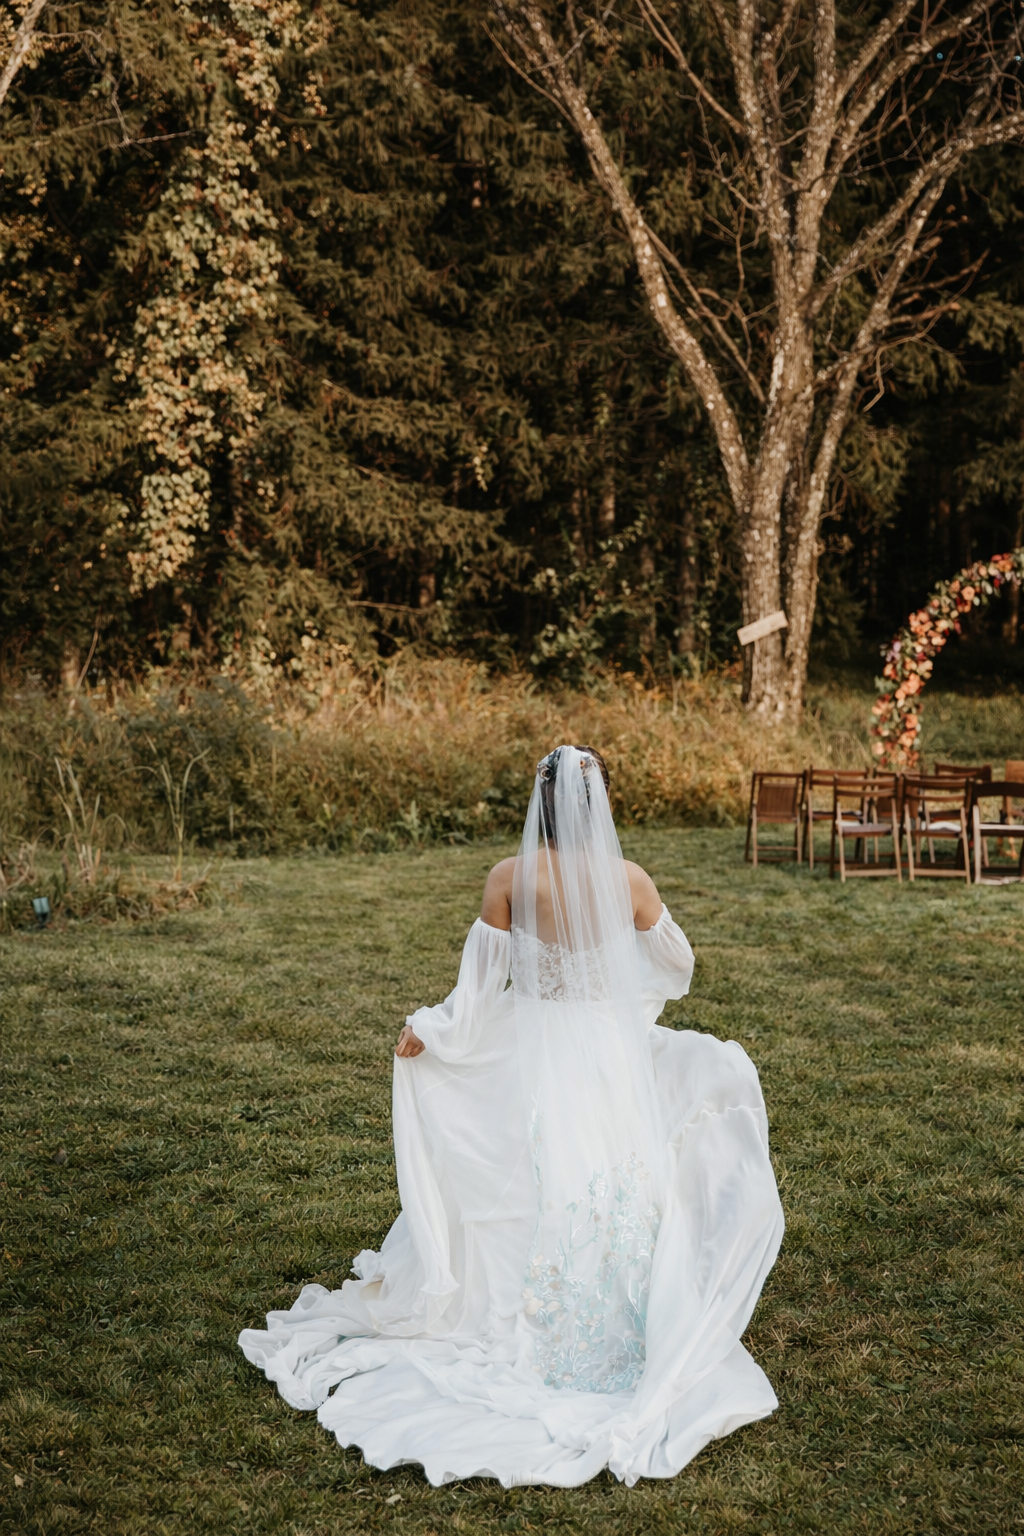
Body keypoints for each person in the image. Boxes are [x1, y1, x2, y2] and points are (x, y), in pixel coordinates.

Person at [239, 745, 784, 1487]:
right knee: (612, 1168)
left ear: (542, 804)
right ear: (602, 806)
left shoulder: (509, 878)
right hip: (606, 1051)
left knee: (526, 1164)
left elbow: (479, 986)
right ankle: (619, 1311)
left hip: (533, 1047)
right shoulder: (629, 882)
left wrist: (434, 1030)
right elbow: (678, 964)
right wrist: (623, 986)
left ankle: (514, 1305)